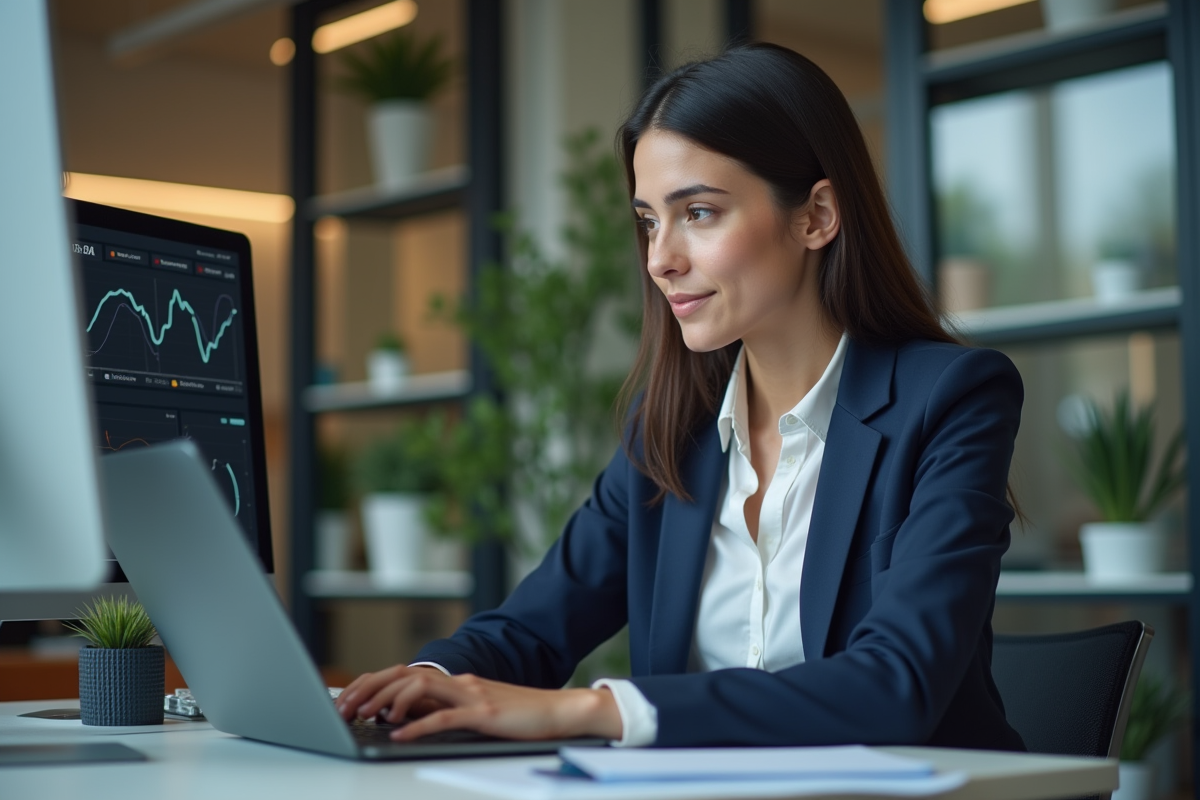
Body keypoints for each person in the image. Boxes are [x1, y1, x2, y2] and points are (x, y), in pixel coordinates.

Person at [335, 42, 1026, 751]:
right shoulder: (670, 430)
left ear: (816, 216)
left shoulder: (951, 399)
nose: (660, 258)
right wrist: (413, 684)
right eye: (648, 220)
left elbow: (896, 684)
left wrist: (590, 710)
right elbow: (527, 630)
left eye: (697, 212)